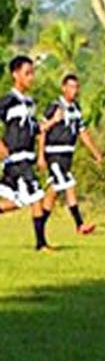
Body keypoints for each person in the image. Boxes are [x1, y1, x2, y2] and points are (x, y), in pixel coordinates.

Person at [0, 56, 62, 252]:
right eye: (27, 73)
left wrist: (52, 122)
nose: (31, 77)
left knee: (18, 201)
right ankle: (41, 244)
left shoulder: (29, 103)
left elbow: (35, 129)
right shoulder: (8, 100)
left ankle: (41, 243)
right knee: (36, 197)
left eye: (32, 72)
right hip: (17, 159)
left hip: (26, 157)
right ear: (15, 74)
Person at [39, 73, 103, 235]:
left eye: (76, 87)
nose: (74, 90)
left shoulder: (76, 109)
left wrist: (95, 152)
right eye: (71, 87)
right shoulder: (54, 107)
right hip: (54, 154)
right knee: (69, 185)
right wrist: (41, 155)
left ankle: (39, 225)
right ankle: (80, 225)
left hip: (67, 156)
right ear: (64, 88)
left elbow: (83, 133)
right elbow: (42, 130)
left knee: (53, 192)